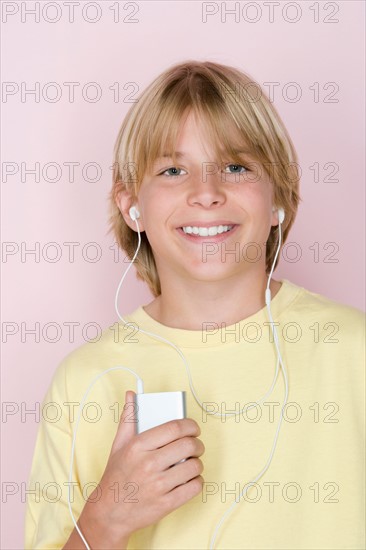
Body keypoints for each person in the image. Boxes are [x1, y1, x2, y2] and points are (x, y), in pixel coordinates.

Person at [25, 60, 365, 550]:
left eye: (236, 167)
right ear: (132, 206)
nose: (206, 193)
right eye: (172, 170)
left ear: (279, 198)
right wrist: (106, 520)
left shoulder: (354, 351)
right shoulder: (84, 381)